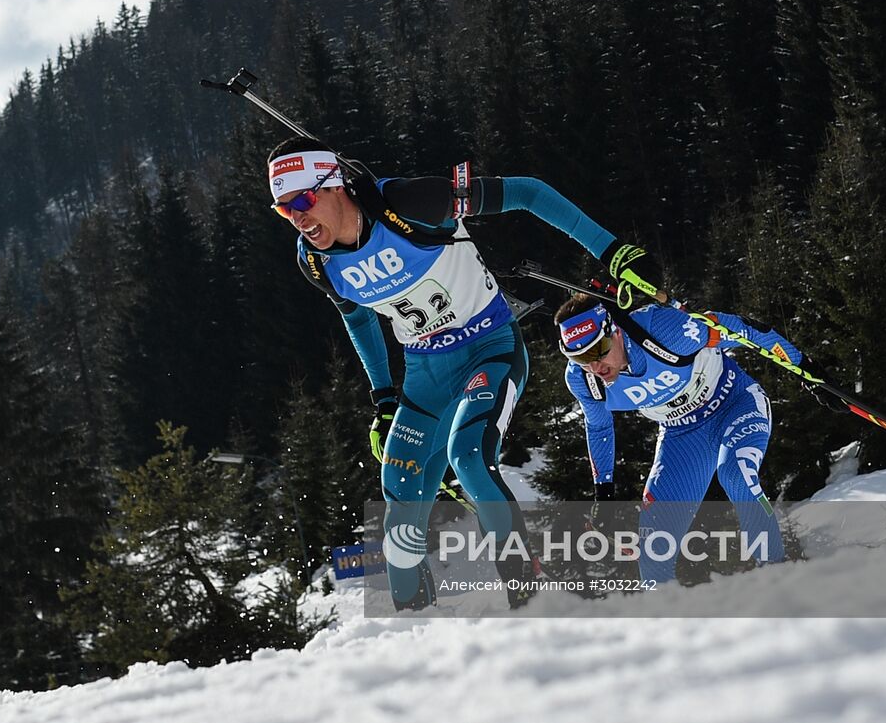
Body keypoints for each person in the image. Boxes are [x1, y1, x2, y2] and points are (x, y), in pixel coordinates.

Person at [267, 138, 658, 609]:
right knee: (399, 500)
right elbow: (357, 317)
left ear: (337, 186)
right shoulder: (315, 261)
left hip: (489, 349)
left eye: (304, 200)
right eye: (285, 210)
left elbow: (529, 193)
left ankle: (530, 601)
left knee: (468, 456)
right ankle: (415, 625)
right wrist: (384, 398)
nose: (299, 218)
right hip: (424, 377)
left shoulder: (412, 204)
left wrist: (614, 252)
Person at [554, 292, 797, 584]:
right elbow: (600, 429)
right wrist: (603, 494)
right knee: (653, 540)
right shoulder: (584, 381)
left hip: (734, 403)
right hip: (680, 433)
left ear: (615, 332)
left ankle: (780, 580)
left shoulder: (663, 330)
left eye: (599, 350)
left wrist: (807, 370)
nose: (595, 366)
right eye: (580, 357)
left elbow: (744, 330)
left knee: (736, 474)